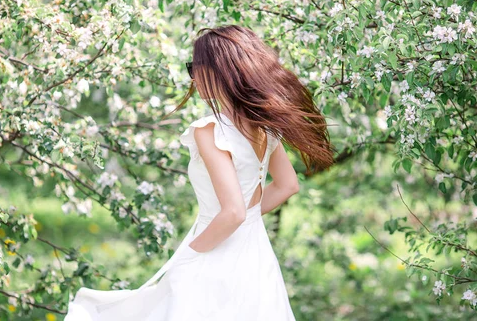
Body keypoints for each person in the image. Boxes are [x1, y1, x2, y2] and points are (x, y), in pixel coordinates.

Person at [64, 25, 336, 320]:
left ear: (217, 70)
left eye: (194, 67)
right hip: (256, 259)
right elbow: (286, 186)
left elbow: (233, 212)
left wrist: (194, 252)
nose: (192, 76)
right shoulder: (265, 127)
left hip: (214, 256)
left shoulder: (210, 130)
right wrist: (247, 217)